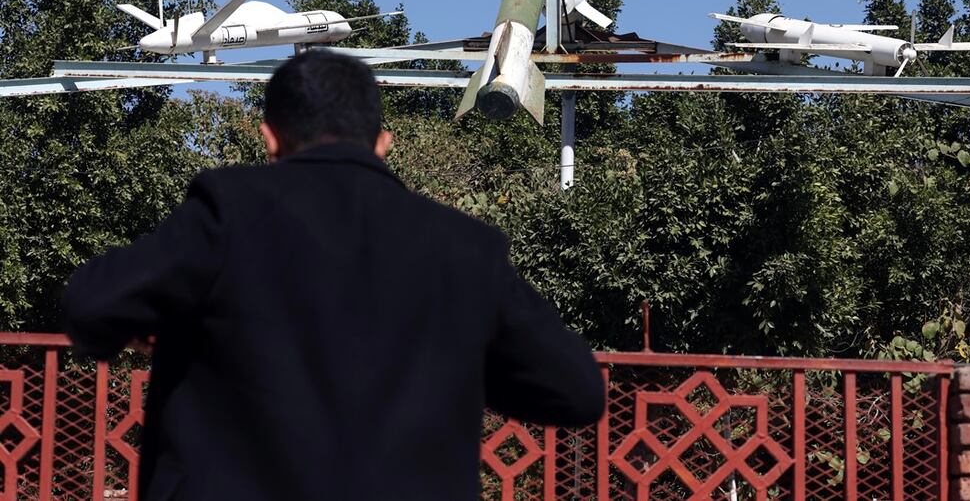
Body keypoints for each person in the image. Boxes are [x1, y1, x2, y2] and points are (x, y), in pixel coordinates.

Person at [62, 53, 606, 500]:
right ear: (382, 144)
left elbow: (90, 304)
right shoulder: (464, 247)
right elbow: (576, 391)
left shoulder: (230, 212)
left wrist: (165, 320)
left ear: (270, 137)